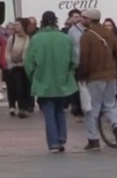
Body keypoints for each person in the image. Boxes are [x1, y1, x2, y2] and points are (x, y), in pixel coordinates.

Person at [26, 11, 78, 153]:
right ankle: (61, 138)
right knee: (60, 110)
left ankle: (53, 142)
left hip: (43, 81)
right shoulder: (65, 38)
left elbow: (29, 63)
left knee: (48, 112)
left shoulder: (36, 39)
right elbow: (74, 61)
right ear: (55, 21)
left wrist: (34, 77)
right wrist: (68, 74)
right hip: (62, 81)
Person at [77, 8, 117, 151]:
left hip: (94, 77)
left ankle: (93, 140)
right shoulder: (109, 33)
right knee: (110, 104)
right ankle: (116, 125)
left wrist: (82, 75)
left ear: (89, 20)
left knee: (92, 109)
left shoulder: (86, 36)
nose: (81, 20)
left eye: (83, 18)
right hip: (111, 75)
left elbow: (84, 58)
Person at [5, 18, 35, 117]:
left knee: (27, 87)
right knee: (19, 87)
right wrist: (9, 62)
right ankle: (21, 108)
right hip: (15, 67)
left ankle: (26, 107)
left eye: (17, 25)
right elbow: (7, 52)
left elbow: (32, 53)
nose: (15, 27)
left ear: (23, 26)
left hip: (26, 66)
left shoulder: (29, 38)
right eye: (15, 25)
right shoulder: (12, 38)